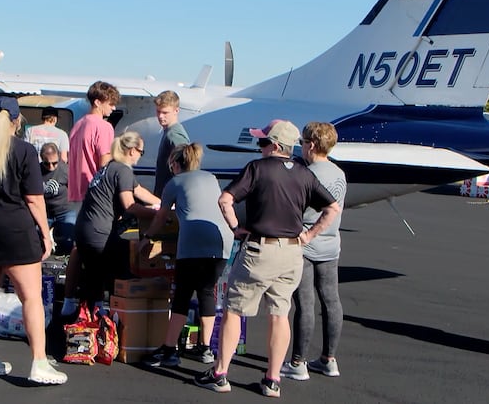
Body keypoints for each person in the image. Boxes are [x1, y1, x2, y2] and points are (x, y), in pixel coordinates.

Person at [193, 120, 341, 398]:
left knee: (235, 310)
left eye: (262, 142)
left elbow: (225, 199)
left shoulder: (256, 169)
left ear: (274, 145)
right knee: (280, 313)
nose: (259, 147)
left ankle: (220, 373)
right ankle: (272, 379)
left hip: (259, 250)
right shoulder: (304, 174)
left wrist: (236, 227)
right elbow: (332, 207)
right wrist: (310, 235)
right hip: (292, 252)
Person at [0, 96, 67, 384]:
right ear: (17, 121)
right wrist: (45, 234)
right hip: (15, 229)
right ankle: (39, 362)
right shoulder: (25, 151)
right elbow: (34, 199)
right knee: (30, 297)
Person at [141, 143, 233, 367]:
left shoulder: (174, 182)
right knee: (205, 292)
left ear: (175, 163)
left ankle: (169, 349)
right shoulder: (211, 178)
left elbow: (162, 217)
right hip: (221, 240)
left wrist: (148, 236)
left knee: (182, 294)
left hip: (194, 240)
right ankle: (205, 348)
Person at [280, 122, 347, 381]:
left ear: (311, 145)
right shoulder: (339, 173)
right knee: (331, 300)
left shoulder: (306, 174)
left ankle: (298, 361)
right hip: (332, 244)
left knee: (304, 304)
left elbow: (301, 209)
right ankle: (329, 359)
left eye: (303, 142)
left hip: (307, 243)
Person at [73, 131, 160, 312]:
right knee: (114, 273)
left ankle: (89, 316)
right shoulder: (123, 169)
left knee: (93, 276)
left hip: (85, 228)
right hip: (99, 232)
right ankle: (110, 316)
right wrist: (156, 216)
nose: (140, 156)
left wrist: (161, 204)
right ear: (131, 150)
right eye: (140, 152)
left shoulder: (111, 167)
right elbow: (129, 205)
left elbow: (138, 190)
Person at [61, 80, 119, 316]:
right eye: (110, 103)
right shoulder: (104, 127)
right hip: (95, 196)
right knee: (99, 251)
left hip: (75, 191)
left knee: (77, 249)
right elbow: (104, 162)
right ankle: (96, 305)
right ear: (98, 102)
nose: (113, 108)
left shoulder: (78, 125)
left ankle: (68, 301)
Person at [39, 143, 75, 257]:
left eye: (54, 163)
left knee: (67, 241)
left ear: (58, 157)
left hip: (65, 210)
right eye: (46, 163)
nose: (51, 167)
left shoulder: (65, 170)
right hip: (45, 212)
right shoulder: (36, 170)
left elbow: (74, 191)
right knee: (38, 242)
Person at [153, 90, 189, 197]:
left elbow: (186, 166)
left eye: (165, 113)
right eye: (158, 112)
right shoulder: (169, 132)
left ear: (176, 111)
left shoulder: (174, 135)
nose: (160, 116)